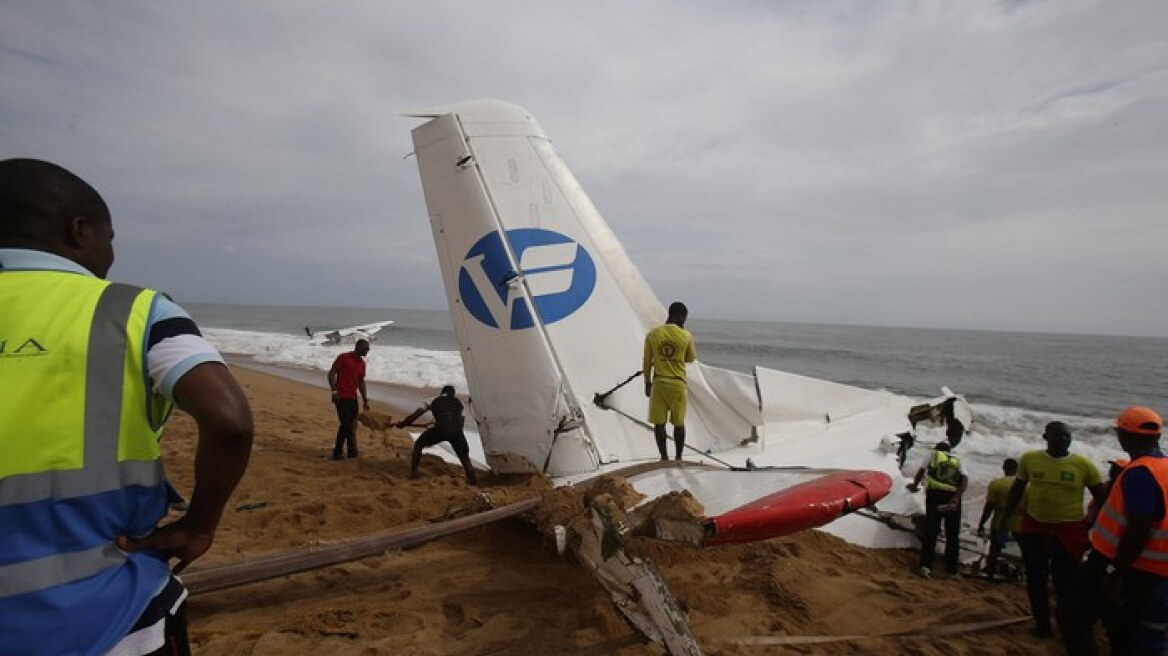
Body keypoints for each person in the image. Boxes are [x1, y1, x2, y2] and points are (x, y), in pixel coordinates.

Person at [0, 158, 254, 656]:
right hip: (102, 616)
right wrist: (199, 524)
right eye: (110, 238)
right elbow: (229, 420)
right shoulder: (133, 310)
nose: (113, 253)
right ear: (80, 231)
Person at [1061, 407, 1168, 656]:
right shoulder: (1163, 469)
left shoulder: (1139, 474)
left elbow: (1138, 528)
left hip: (1120, 564)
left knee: (1072, 615)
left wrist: (1115, 571)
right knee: (1123, 631)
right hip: (1155, 570)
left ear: (1125, 435)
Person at [1000, 420, 1106, 638]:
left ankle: (1066, 624)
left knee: (1064, 582)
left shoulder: (1084, 465)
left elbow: (1103, 500)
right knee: (1036, 578)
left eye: (1067, 436)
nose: (1064, 440)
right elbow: (1016, 490)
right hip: (1034, 526)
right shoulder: (1030, 460)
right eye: (1058, 435)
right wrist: (1004, 519)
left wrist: (1096, 527)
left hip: (1069, 530)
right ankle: (1042, 625)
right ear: (1046, 437)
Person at [643, 301, 696, 461]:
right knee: (678, 423)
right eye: (684, 318)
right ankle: (678, 457)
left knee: (659, 423)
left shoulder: (653, 334)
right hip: (678, 384)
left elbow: (646, 360)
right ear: (680, 316)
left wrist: (647, 382)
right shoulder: (686, 335)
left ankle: (664, 457)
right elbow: (690, 358)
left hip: (659, 383)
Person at [908, 441, 967, 579]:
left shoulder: (932, 455)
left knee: (931, 532)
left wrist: (914, 485)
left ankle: (926, 567)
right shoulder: (957, 460)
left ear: (936, 449)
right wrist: (956, 498)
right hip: (952, 499)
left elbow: (921, 471)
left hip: (935, 496)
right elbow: (964, 480)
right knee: (952, 535)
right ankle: (951, 571)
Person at [396, 385, 477, 484]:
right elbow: (461, 423)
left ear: (442, 393)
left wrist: (403, 423)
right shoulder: (460, 404)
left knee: (419, 444)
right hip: (457, 432)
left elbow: (416, 415)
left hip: (441, 429)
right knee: (465, 458)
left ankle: (414, 474)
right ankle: (473, 481)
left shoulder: (432, 400)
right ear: (453, 394)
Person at [977, 458, 1023, 580]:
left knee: (994, 549)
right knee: (1023, 549)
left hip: (999, 521)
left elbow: (989, 507)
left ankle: (990, 574)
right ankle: (1020, 574)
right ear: (1017, 470)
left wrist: (981, 523)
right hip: (1019, 522)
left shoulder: (996, 483)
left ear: (1003, 468)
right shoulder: (1025, 486)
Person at [328, 339, 370, 459]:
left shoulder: (362, 364)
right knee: (346, 425)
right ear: (358, 347)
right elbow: (331, 373)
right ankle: (337, 452)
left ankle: (352, 452)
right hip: (341, 397)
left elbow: (361, 382)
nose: (368, 350)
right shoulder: (344, 357)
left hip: (353, 397)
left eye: (368, 348)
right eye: (366, 348)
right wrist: (334, 390)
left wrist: (365, 399)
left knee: (352, 425)